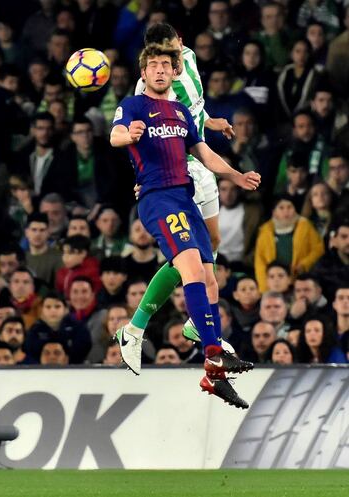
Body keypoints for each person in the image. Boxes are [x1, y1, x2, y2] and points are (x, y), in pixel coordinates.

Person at [110, 41, 260, 406]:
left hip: (184, 196)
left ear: (174, 71)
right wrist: (127, 136)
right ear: (143, 73)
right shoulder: (133, 106)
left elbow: (204, 152)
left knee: (210, 274)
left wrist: (236, 175)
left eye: (165, 64)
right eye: (153, 65)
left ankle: (214, 375)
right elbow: (115, 133)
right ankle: (211, 351)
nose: (160, 69)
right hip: (158, 198)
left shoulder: (178, 111)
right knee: (191, 266)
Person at [126, 23, 246, 356]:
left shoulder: (189, 58)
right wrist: (145, 179)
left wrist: (210, 120)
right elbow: (140, 138)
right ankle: (142, 325)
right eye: (165, 58)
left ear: (181, 43)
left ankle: (187, 322)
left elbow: (191, 105)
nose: (173, 62)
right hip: (180, 168)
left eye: (176, 53)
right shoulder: (145, 90)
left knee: (214, 242)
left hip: (202, 157)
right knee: (189, 257)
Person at [255, 194, 324, 293]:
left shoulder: (305, 226)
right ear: (274, 212)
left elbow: (318, 249)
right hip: (274, 283)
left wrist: (304, 264)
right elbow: (260, 262)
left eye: (289, 207)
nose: (286, 211)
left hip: (300, 280)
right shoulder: (265, 230)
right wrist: (264, 288)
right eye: (281, 208)